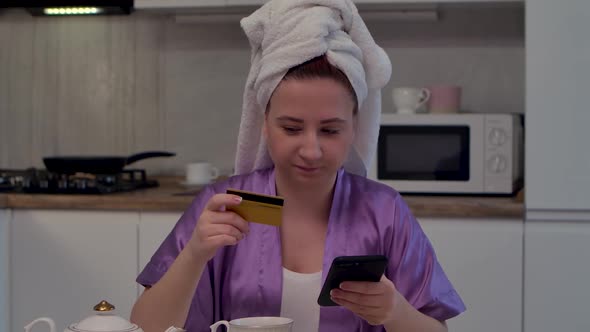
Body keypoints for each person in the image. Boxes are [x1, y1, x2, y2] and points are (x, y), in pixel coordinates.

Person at [130, 1, 465, 332]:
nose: (311, 150)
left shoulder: (384, 212)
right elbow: (145, 327)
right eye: (291, 128)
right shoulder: (225, 205)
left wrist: (395, 311)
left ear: (354, 126)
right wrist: (193, 256)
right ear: (264, 122)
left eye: (330, 130)